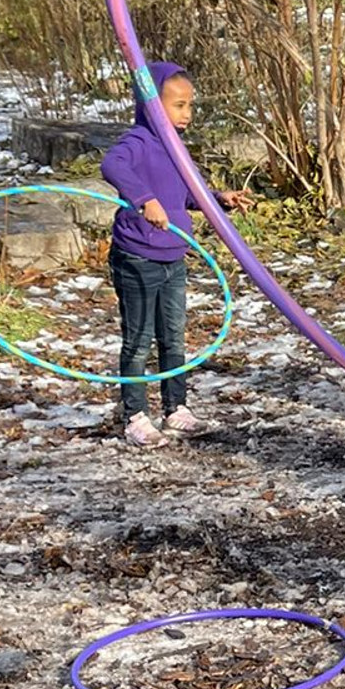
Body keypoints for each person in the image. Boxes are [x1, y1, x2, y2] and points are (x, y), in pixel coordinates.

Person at [100, 62, 253, 449]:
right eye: (179, 105)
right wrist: (143, 199)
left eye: (190, 106)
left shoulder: (175, 148)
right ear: (152, 105)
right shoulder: (137, 142)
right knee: (138, 340)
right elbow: (111, 165)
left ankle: (175, 408)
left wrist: (219, 199)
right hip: (137, 257)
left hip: (173, 256)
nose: (187, 115)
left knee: (173, 336)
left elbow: (184, 194)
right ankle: (135, 416)